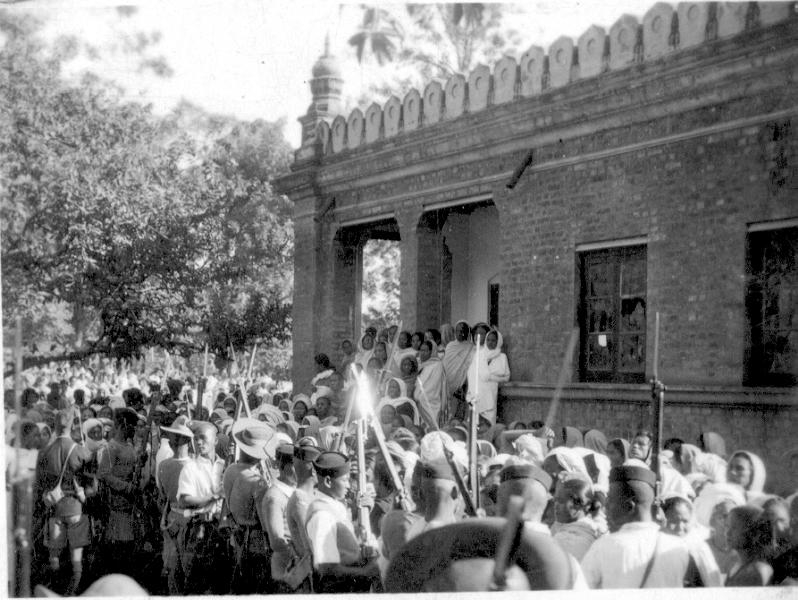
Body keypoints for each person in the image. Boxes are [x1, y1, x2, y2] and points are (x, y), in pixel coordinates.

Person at [580, 466, 701, 588]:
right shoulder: (679, 547)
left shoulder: (603, 547)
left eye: (610, 500)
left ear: (629, 506)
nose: (606, 507)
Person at [34, 411, 93, 595]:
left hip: (54, 509)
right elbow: (90, 483)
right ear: (72, 425)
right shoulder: (81, 450)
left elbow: (40, 484)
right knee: (76, 560)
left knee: (54, 557)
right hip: (75, 507)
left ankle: (56, 589)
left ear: (55, 426)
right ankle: (71, 593)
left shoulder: (45, 451)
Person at [305, 451, 380, 592]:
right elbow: (327, 568)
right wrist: (366, 572)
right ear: (328, 481)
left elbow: (344, 538)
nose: (349, 485)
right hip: (339, 588)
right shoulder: (322, 516)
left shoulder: (334, 504)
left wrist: (363, 513)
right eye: (344, 480)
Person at [226, 419, 275, 593]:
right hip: (253, 539)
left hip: (236, 533)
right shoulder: (257, 481)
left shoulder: (231, 469)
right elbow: (264, 522)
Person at [95, 408, 141, 577]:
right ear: (124, 425)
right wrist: (126, 487)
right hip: (116, 502)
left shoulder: (129, 446)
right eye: (133, 427)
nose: (135, 430)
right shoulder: (110, 448)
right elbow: (104, 475)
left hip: (131, 503)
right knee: (118, 545)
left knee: (129, 543)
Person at [157, 415, 194, 595]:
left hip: (173, 517)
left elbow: (162, 496)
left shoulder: (164, 465)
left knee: (175, 571)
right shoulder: (195, 466)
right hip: (186, 520)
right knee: (186, 571)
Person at [285, 440, 321, 592]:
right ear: (313, 471)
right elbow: (312, 545)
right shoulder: (301, 499)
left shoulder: (308, 496)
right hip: (309, 579)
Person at [261, 444, 297, 592]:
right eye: (294, 466)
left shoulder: (294, 490)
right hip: (286, 567)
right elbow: (276, 541)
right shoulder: (275, 497)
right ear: (282, 466)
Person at [551, 476, 605, 560]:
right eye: (556, 500)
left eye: (561, 501)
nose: (556, 505)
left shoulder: (569, 539)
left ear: (579, 504)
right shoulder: (590, 529)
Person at [466, 328, 510, 426]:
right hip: (477, 396)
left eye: (493, 340)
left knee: (489, 426)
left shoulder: (502, 357)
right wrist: (470, 395)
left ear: (498, 342)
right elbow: (471, 374)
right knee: (474, 427)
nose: (490, 342)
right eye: (488, 340)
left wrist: (490, 377)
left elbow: (506, 377)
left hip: (490, 395)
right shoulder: (479, 354)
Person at [725, 505, 773, 586]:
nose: (727, 533)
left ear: (752, 532)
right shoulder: (738, 566)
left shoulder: (756, 571)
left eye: (734, 527)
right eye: (727, 526)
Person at [442, 321, 474, 422]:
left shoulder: (471, 347)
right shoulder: (450, 346)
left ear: (468, 332)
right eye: (458, 331)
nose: (461, 333)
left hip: (463, 387)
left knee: (460, 415)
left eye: (463, 331)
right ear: (455, 332)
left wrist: (463, 382)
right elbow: (446, 365)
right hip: (448, 385)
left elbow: (468, 366)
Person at [413, 341, 446, 428]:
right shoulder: (421, 365)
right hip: (417, 401)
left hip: (429, 402)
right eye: (421, 350)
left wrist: (419, 397)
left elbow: (433, 386)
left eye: (426, 351)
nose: (422, 353)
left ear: (432, 352)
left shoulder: (437, 365)